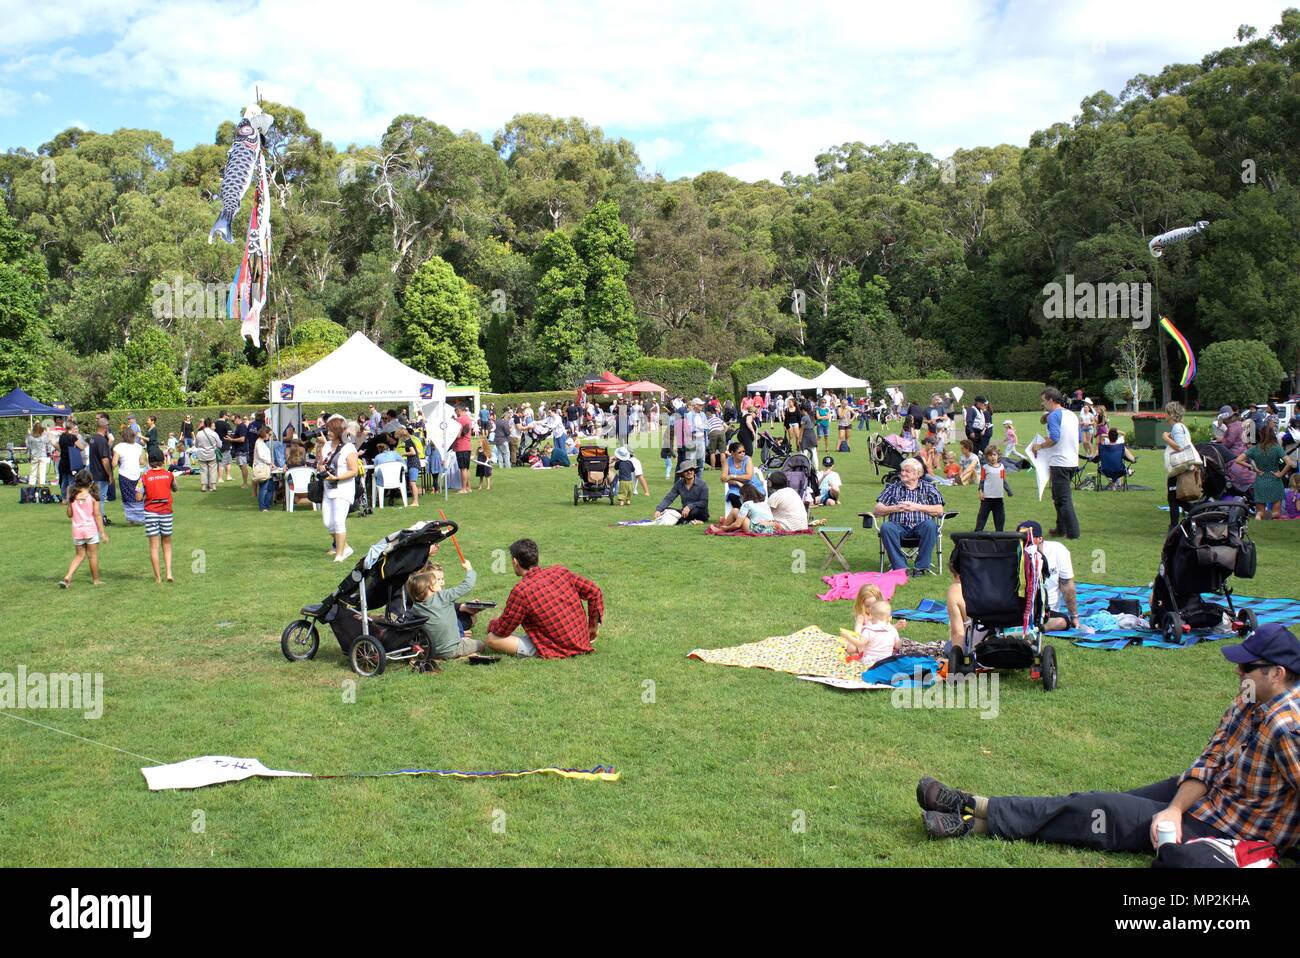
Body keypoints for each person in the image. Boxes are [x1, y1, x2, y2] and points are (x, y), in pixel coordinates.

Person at [917, 623, 1300, 852]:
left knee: (1103, 812)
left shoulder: (1288, 728)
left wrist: (1176, 814)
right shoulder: (1249, 701)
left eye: (1247, 666)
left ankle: (972, 815)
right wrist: (1176, 808)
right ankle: (973, 810)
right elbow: (1210, 761)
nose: (1238, 672)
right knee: (1090, 804)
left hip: (1227, 829)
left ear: (1277, 674)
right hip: (1205, 797)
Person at [484, 538, 603, 659]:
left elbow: (503, 629)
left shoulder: (521, 591)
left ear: (515, 562)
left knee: (492, 639)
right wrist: (593, 626)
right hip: (581, 641)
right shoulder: (560, 571)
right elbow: (594, 591)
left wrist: (491, 625)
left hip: (555, 647)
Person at [872, 458, 945, 577]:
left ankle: (921, 567)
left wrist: (917, 507)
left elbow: (939, 510)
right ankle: (900, 567)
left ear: (918, 474)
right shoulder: (893, 488)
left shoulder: (929, 488)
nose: (903, 473)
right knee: (886, 527)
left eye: (907, 471)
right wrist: (895, 508)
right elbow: (877, 510)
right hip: (899, 528)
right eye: (902, 470)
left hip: (921, 527)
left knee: (931, 525)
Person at [1027, 387, 1080, 540]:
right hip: (1071, 461)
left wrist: (1040, 446)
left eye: (1043, 401)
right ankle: (1060, 529)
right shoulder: (1071, 414)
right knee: (1058, 497)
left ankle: (1073, 533)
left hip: (1060, 462)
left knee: (1063, 499)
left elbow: (1055, 438)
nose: (1042, 404)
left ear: (1050, 400)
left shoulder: (1054, 416)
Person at [408, 559, 484, 663]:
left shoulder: (416, 607)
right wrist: (469, 569)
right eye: (437, 581)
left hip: (430, 651)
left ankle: (444, 657)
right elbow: (467, 586)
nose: (441, 583)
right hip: (452, 649)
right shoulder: (443, 596)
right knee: (481, 645)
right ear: (431, 587)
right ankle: (463, 657)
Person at [318, 415, 360, 562]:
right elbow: (321, 462)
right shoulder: (326, 446)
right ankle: (346, 547)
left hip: (343, 489)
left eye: (330, 430)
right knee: (328, 523)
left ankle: (340, 555)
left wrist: (337, 478)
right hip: (328, 488)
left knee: (338, 521)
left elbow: (354, 471)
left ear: (338, 431)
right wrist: (321, 466)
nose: (327, 432)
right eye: (327, 429)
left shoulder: (349, 448)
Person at [60, 470, 108, 587]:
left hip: (77, 531)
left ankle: (68, 575)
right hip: (90, 530)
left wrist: (69, 502)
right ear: (91, 483)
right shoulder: (93, 497)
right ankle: (96, 580)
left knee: (79, 555)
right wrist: (102, 533)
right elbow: (97, 515)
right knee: (92, 556)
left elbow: (69, 514)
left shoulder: (73, 497)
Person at [1240, 425, 1295, 521]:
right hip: (1275, 481)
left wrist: (1254, 468)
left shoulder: (1255, 449)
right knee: (1276, 513)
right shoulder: (1277, 448)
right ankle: (1270, 517)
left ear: (1261, 435)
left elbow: (1238, 460)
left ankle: (1259, 516)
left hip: (1260, 480)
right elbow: (1290, 463)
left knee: (1260, 511)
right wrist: (1281, 474)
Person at [140, 448, 176, 582]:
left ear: (149, 462)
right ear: (163, 460)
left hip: (150, 513)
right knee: (166, 543)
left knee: (153, 546)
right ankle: (169, 573)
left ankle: (158, 578)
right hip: (166, 512)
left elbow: (138, 496)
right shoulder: (168, 474)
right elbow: (175, 488)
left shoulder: (144, 476)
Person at [1161, 401, 1195, 528]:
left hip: (1178, 468)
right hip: (1181, 468)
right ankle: (1177, 526)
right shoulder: (1181, 427)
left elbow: (1180, 447)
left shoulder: (1177, 427)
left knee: (1174, 499)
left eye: (1166, 412)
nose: (1165, 415)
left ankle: (1175, 527)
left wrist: (1166, 438)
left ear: (1171, 414)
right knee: (1177, 498)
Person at [842, 597, 901, 666]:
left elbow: (860, 644)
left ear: (871, 616)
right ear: (890, 618)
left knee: (855, 658)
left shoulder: (868, 630)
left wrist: (848, 637)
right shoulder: (893, 630)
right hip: (886, 662)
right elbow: (897, 646)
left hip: (869, 661)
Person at [112, 426, 146, 525]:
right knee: (138, 496)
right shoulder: (138, 447)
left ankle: (131, 519)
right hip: (137, 474)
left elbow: (114, 463)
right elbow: (142, 461)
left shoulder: (118, 447)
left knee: (127, 498)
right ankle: (140, 517)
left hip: (124, 475)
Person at [974, 446, 1011, 531]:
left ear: (998, 455)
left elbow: (1003, 480)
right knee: (982, 516)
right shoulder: (985, 468)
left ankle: (999, 533)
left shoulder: (1001, 467)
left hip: (998, 497)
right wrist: (980, 491)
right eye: (990, 455)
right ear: (987, 457)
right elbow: (982, 480)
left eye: (994, 454)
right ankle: (978, 532)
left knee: (1000, 517)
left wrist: (1008, 490)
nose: (993, 457)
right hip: (987, 498)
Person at [722, 441, 764, 510]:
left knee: (753, 496)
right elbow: (723, 478)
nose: (742, 454)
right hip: (736, 488)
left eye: (743, 451)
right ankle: (740, 514)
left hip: (751, 485)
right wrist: (736, 482)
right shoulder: (728, 461)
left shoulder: (747, 459)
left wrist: (732, 476)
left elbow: (749, 477)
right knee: (732, 496)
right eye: (740, 452)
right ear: (732, 453)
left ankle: (749, 515)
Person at [193, 418, 221, 492]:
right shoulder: (214, 433)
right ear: (211, 424)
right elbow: (220, 445)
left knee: (203, 470)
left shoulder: (199, 433)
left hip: (201, 454)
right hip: (212, 454)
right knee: (213, 470)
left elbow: (196, 445)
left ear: (204, 424)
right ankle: (213, 486)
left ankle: (203, 487)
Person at [252, 425, 275, 512]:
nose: (270, 436)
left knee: (270, 487)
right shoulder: (259, 443)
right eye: (269, 434)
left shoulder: (261, 442)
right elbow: (261, 456)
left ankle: (267, 505)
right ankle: (263, 507)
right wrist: (270, 462)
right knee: (264, 488)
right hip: (262, 467)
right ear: (265, 433)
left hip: (265, 466)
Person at [452, 404, 474, 493]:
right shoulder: (468, 419)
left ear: (459, 410)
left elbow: (457, 435)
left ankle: (464, 488)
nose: (455, 413)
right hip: (467, 446)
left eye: (456, 411)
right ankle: (468, 487)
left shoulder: (459, 420)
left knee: (463, 469)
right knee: (466, 468)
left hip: (461, 446)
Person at [26, 421, 52, 486]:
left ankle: (31, 485)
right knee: (42, 472)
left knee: (33, 471)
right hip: (43, 455)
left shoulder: (30, 436)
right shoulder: (44, 435)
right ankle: (42, 485)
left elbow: (28, 446)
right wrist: (49, 452)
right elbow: (48, 444)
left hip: (34, 456)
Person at [213, 411, 232, 482]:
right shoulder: (226, 424)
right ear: (224, 415)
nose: (228, 417)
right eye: (227, 415)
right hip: (225, 445)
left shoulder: (214, 424)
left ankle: (224, 477)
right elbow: (229, 434)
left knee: (221, 462)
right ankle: (223, 477)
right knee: (227, 462)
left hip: (217, 445)